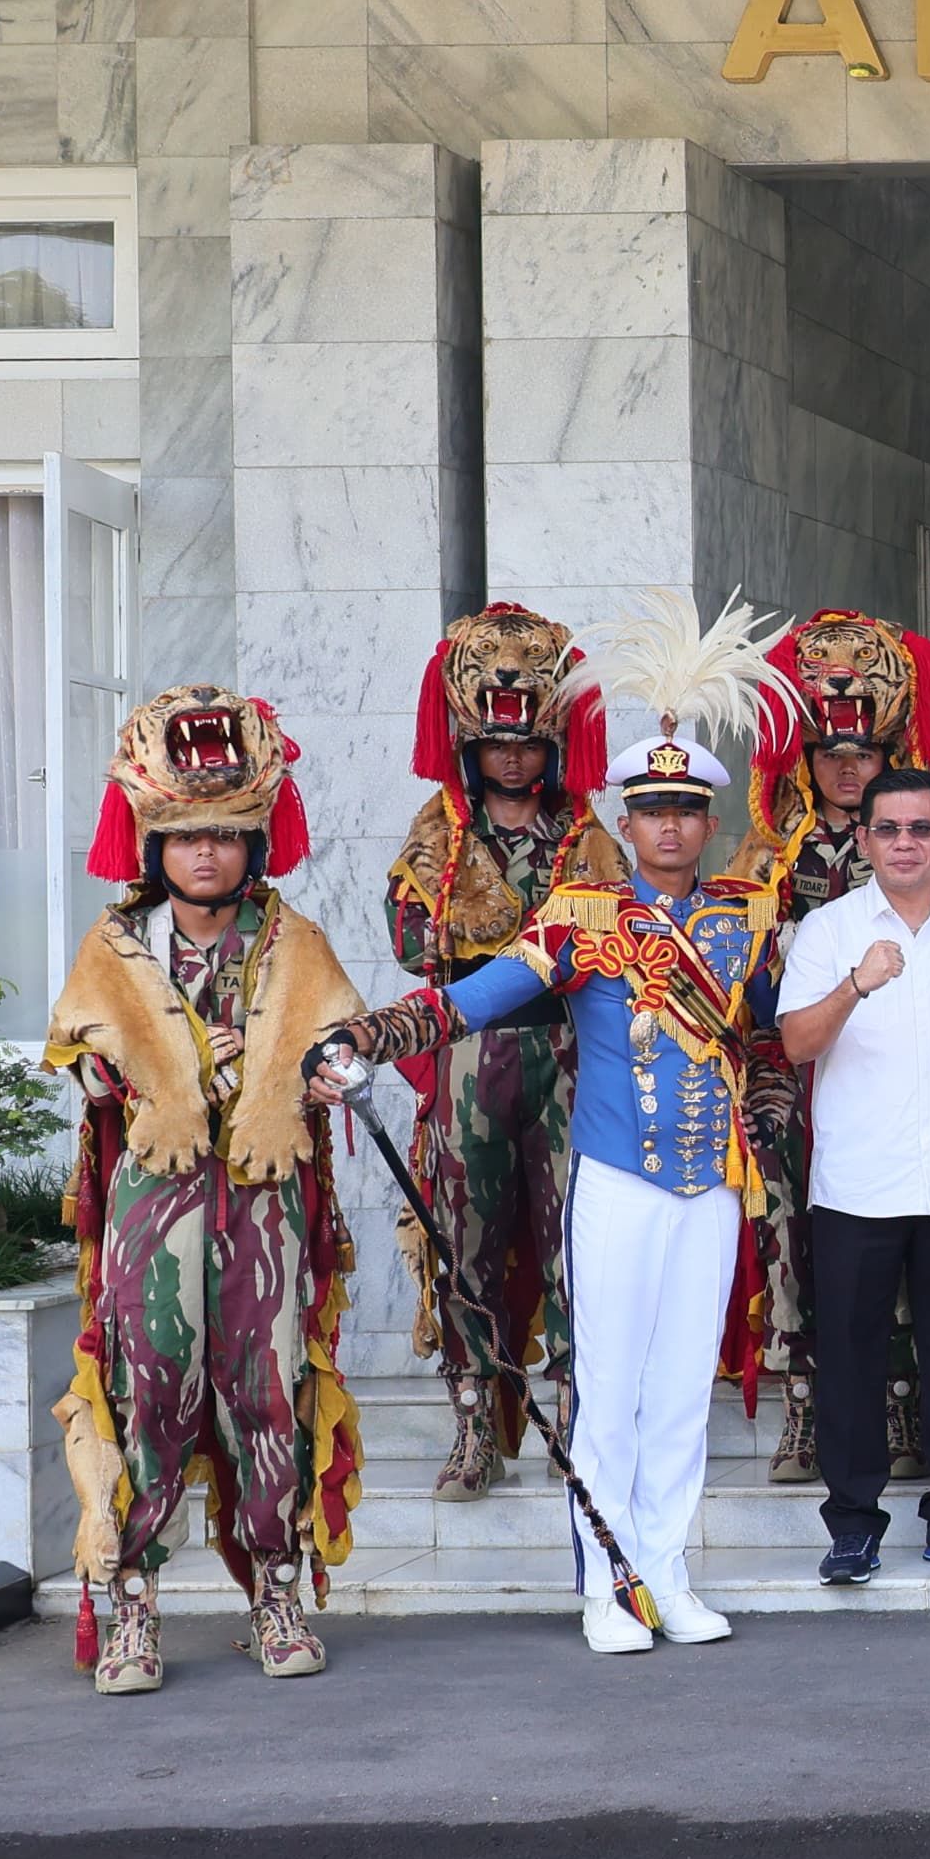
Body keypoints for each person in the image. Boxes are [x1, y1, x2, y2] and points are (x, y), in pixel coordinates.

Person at [319, 599, 794, 1657]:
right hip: (619, 1180)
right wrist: (362, 1037)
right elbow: (465, 1001)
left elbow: (762, 1042)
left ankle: (668, 1570)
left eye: (685, 809)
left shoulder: (742, 920)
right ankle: (609, 1582)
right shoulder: (582, 920)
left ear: (706, 821)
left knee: (680, 1393)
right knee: (610, 1388)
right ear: (622, 820)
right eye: (650, 809)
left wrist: (768, 1119)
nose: (668, 826)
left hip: (710, 1188)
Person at [47, 687, 366, 1694]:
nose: (205, 855)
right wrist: (186, 1049)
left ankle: (276, 1593)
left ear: (252, 841)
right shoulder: (113, 947)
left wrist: (304, 1066)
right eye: (183, 835)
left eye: (227, 835)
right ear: (153, 840)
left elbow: (333, 1048)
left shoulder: (297, 943)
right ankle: (132, 1603)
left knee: (269, 1394)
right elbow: (87, 1060)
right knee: (149, 1395)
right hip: (156, 1205)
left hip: (264, 1209)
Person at [383, 602, 623, 1502]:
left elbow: (618, 931)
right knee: (465, 1238)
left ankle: (579, 1418)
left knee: (576, 1240)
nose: (512, 759)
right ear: (472, 745)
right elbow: (413, 939)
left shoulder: (587, 830)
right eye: (495, 744)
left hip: (570, 1058)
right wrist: (513, 934)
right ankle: (475, 1425)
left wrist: (516, 945)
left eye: (526, 745)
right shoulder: (438, 829)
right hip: (470, 1061)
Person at [739, 608, 930, 1487]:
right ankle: (805, 1408)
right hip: (792, 1067)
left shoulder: (919, 848)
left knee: (901, 1225)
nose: (845, 768)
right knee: (788, 1232)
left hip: (894, 1073)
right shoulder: (768, 848)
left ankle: (902, 1398)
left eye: (862, 757)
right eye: (832, 757)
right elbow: (742, 965)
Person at [778, 765, 930, 1586]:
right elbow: (799, 1043)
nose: (905, 843)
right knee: (850, 1354)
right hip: (858, 1183)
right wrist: (856, 983)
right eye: (888, 829)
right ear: (864, 838)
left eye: (922, 829)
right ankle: (851, 1525)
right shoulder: (828, 930)